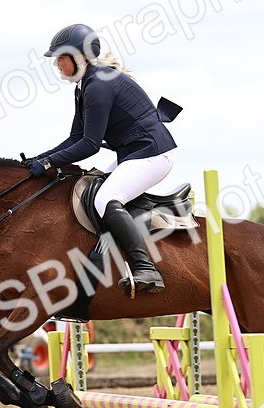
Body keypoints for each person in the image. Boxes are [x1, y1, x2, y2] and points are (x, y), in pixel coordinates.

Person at [25, 23, 182, 297]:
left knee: (104, 200)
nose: (57, 65)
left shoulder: (97, 85)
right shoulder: (84, 85)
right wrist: (42, 157)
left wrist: (49, 163)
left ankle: (147, 269)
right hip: (134, 154)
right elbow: (75, 137)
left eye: (60, 57)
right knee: (88, 187)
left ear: (79, 57)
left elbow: (89, 145)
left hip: (153, 154)